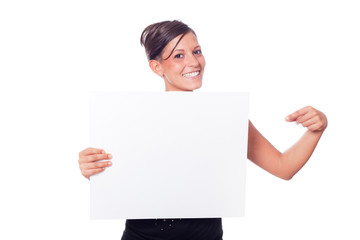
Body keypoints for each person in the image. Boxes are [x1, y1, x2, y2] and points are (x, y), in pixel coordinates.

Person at [78, 20, 328, 240]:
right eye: (178, 56)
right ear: (157, 68)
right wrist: (92, 170)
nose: (193, 61)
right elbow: (117, 179)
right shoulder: (130, 119)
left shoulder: (227, 117)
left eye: (196, 51)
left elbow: (283, 167)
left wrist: (316, 130)